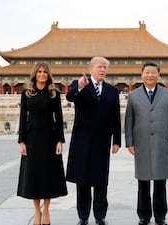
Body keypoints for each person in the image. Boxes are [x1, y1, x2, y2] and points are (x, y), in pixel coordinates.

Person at [66, 56, 121, 225]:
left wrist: (117, 140)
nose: (102, 70)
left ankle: (100, 215)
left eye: (105, 67)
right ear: (91, 69)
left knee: (100, 180)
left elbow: (115, 117)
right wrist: (80, 87)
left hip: (102, 141)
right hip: (82, 140)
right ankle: (83, 216)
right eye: (99, 67)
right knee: (82, 180)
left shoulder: (112, 91)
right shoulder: (80, 84)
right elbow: (70, 96)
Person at [124, 61, 168, 225]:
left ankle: (160, 216)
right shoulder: (134, 95)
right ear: (142, 75)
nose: (150, 75)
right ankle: (144, 216)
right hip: (141, 143)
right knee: (143, 182)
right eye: (147, 72)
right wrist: (129, 142)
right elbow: (129, 120)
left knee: (160, 182)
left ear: (158, 75)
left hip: (162, 143)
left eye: (153, 72)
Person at [17, 62, 68, 225]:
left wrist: (60, 140)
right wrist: (21, 140)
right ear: (35, 74)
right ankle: (36, 212)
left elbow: (59, 118)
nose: (42, 74)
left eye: (45, 72)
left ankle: (46, 210)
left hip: (50, 138)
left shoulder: (53, 93)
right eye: (39, 71)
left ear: (48, 75)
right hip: (32, 139)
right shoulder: (27, 93)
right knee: (34, 176)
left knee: (48, 176)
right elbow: (23, 117)